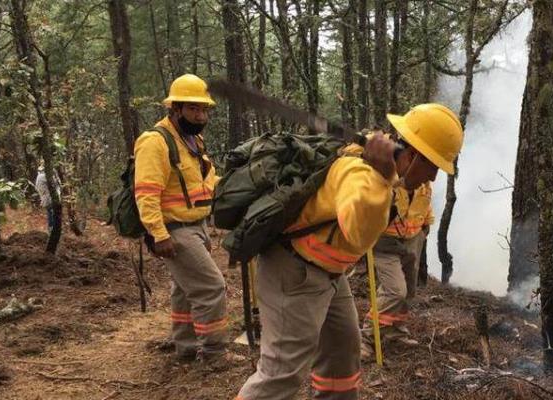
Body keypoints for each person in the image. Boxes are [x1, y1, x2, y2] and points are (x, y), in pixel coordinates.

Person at [235, 103, 464, 400]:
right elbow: (359, 230)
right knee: (281, 375)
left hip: (328, 273)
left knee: (342, 352)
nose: (433, 177)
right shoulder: (357, 171)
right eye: (432, 165)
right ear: (412, 155)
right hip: (294, 272)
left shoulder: (388, 174)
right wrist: (381, 180)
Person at [133, 74, 229, 362]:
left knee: (186, 290)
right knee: (212, 287)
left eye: (203, 110)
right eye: (193, 109)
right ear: (175, 109)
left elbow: (206, 183)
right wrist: (159, 234)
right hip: (175, 229)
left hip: (196, 226)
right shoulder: (155, 142)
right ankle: (214, 353)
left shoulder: (193, 140)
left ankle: (185, 348)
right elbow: (146, 193)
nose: (200, 116)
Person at [361, 168, 434, 347]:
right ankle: (367, 337)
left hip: (413, 239)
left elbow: (425, 205)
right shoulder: (387, 180)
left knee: (409, 290)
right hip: (385, 243)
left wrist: (425, 228)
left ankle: (395, 330)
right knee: (395, 291)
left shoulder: (424, 182)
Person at [34, 166, 60, 232]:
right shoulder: (42, 176)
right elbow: (55, 182)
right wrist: (56, 174)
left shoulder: (39, 177)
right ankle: (52, 229)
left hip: (45, 198)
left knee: (50, 213)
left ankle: (51, 228)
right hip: (49, 198)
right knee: (52, 214)